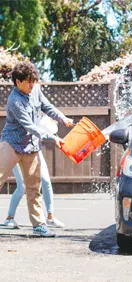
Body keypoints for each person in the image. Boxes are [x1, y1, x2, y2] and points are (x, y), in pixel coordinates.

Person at [0, 61, 73, 237]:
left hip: (31, 146)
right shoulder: (14, 101)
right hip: (12, 143)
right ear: (18, 82)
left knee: (34, 186)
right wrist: (52, 137)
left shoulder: (36, 90)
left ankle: (39, 226)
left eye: (34, 80)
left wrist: (62, 118)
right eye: (28, 81)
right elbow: (30, 125)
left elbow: (47, 107)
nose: (32, 85)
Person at [4, 152, 65, 228]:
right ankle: (9, 218)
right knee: (22, 186)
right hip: (16, 148)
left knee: (46, 181)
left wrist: (53, 139)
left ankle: (50, 217)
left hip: (34, 149)